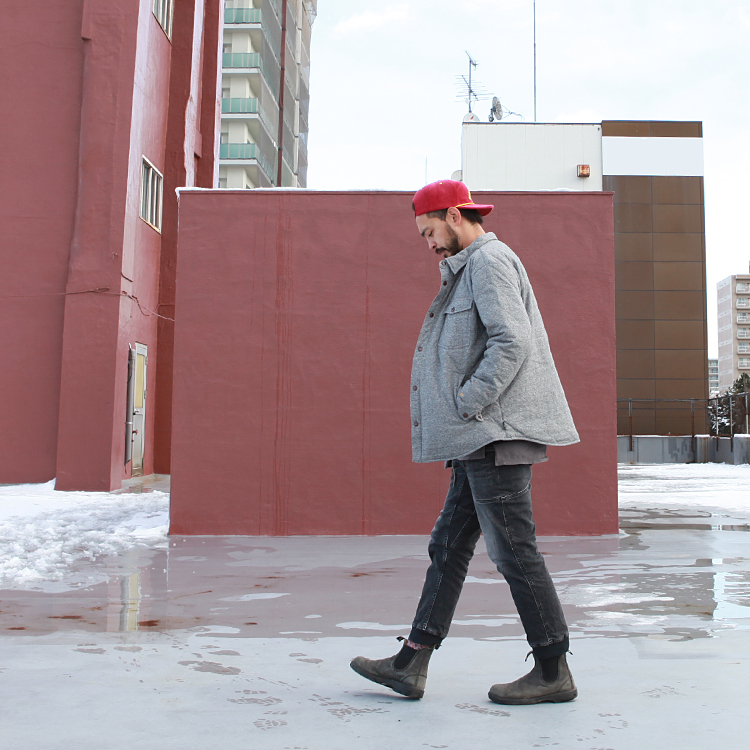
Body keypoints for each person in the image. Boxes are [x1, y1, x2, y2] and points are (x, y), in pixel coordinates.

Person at [350, 180, 580, 705]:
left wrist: (467, 400)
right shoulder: (466, 268)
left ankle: (553, 670)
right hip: (476, 439)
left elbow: (511, 339)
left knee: (513, 551)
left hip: (494, 434)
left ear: (455, 215)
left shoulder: (488, 261)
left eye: (429, 231)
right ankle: (411, 662)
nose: (428, 243)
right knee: (449, 545)